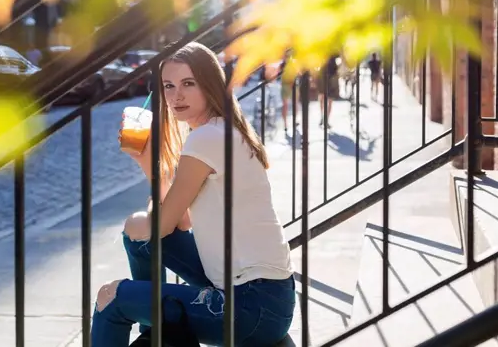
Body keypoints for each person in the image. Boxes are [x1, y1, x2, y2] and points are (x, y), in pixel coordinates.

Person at [92, 42, 295, 346]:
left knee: (111, 298)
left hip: (252, 307)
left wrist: (150, 163)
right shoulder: (219, 129)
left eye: (188, 83)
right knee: (137, 232)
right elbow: (182, 221)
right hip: (263, 295)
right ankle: (155, 332)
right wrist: (145, 164)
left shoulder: (207, 138)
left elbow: (163, 225)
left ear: (209, 84)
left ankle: (152, 325)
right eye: (168, 86)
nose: (176, 95)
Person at [264, 49, 298, 133]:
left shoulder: (286, 64)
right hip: (288, 86)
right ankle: (288, 123)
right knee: (290, 105)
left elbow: (275, 75)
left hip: (289, 85)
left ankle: (289, 123)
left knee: (290, 105)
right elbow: (275, 75)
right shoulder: (286, 65)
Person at [315, 54, 340, 128]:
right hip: (324, 75)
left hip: (331, 75)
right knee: (323, 98)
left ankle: (325, 119)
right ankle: (323, 117)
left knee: (328, 100)